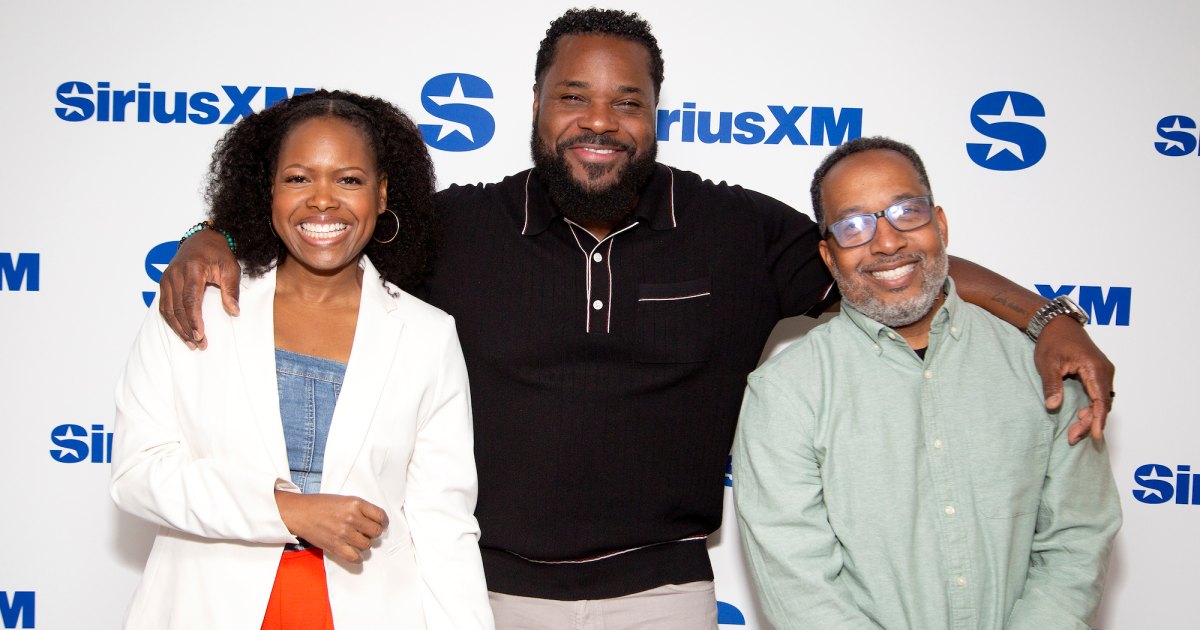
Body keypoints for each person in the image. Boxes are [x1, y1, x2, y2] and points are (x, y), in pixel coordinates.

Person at [156, 9, 1115, 629]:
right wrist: (212, 232)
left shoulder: (735, 227)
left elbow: (883, 257)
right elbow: (326, 216)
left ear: (658, 111)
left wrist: (1048, 318)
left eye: (628, 100)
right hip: (482, 592)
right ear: (535, 105)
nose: (599, 120)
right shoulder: (455, 228)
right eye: (574, 96)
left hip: (662, 595)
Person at [110, 90, 493, 629]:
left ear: (382, 194)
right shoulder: (200, 303)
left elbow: (443, 525)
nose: (322, 200)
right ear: (267, 190)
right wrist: (288, 510)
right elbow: (137, 471)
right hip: (206, 605)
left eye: (349, 180)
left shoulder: (427, 335)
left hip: (368, 609)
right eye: (298, 178)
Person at [733, 137, 1121, 629]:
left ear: (939, 225)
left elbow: (1076, 541)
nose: (888, 241)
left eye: (905, 212)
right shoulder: (786, 392)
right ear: (829, 258)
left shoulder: (1043, 367)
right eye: (853, 226)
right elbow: (799, 581)